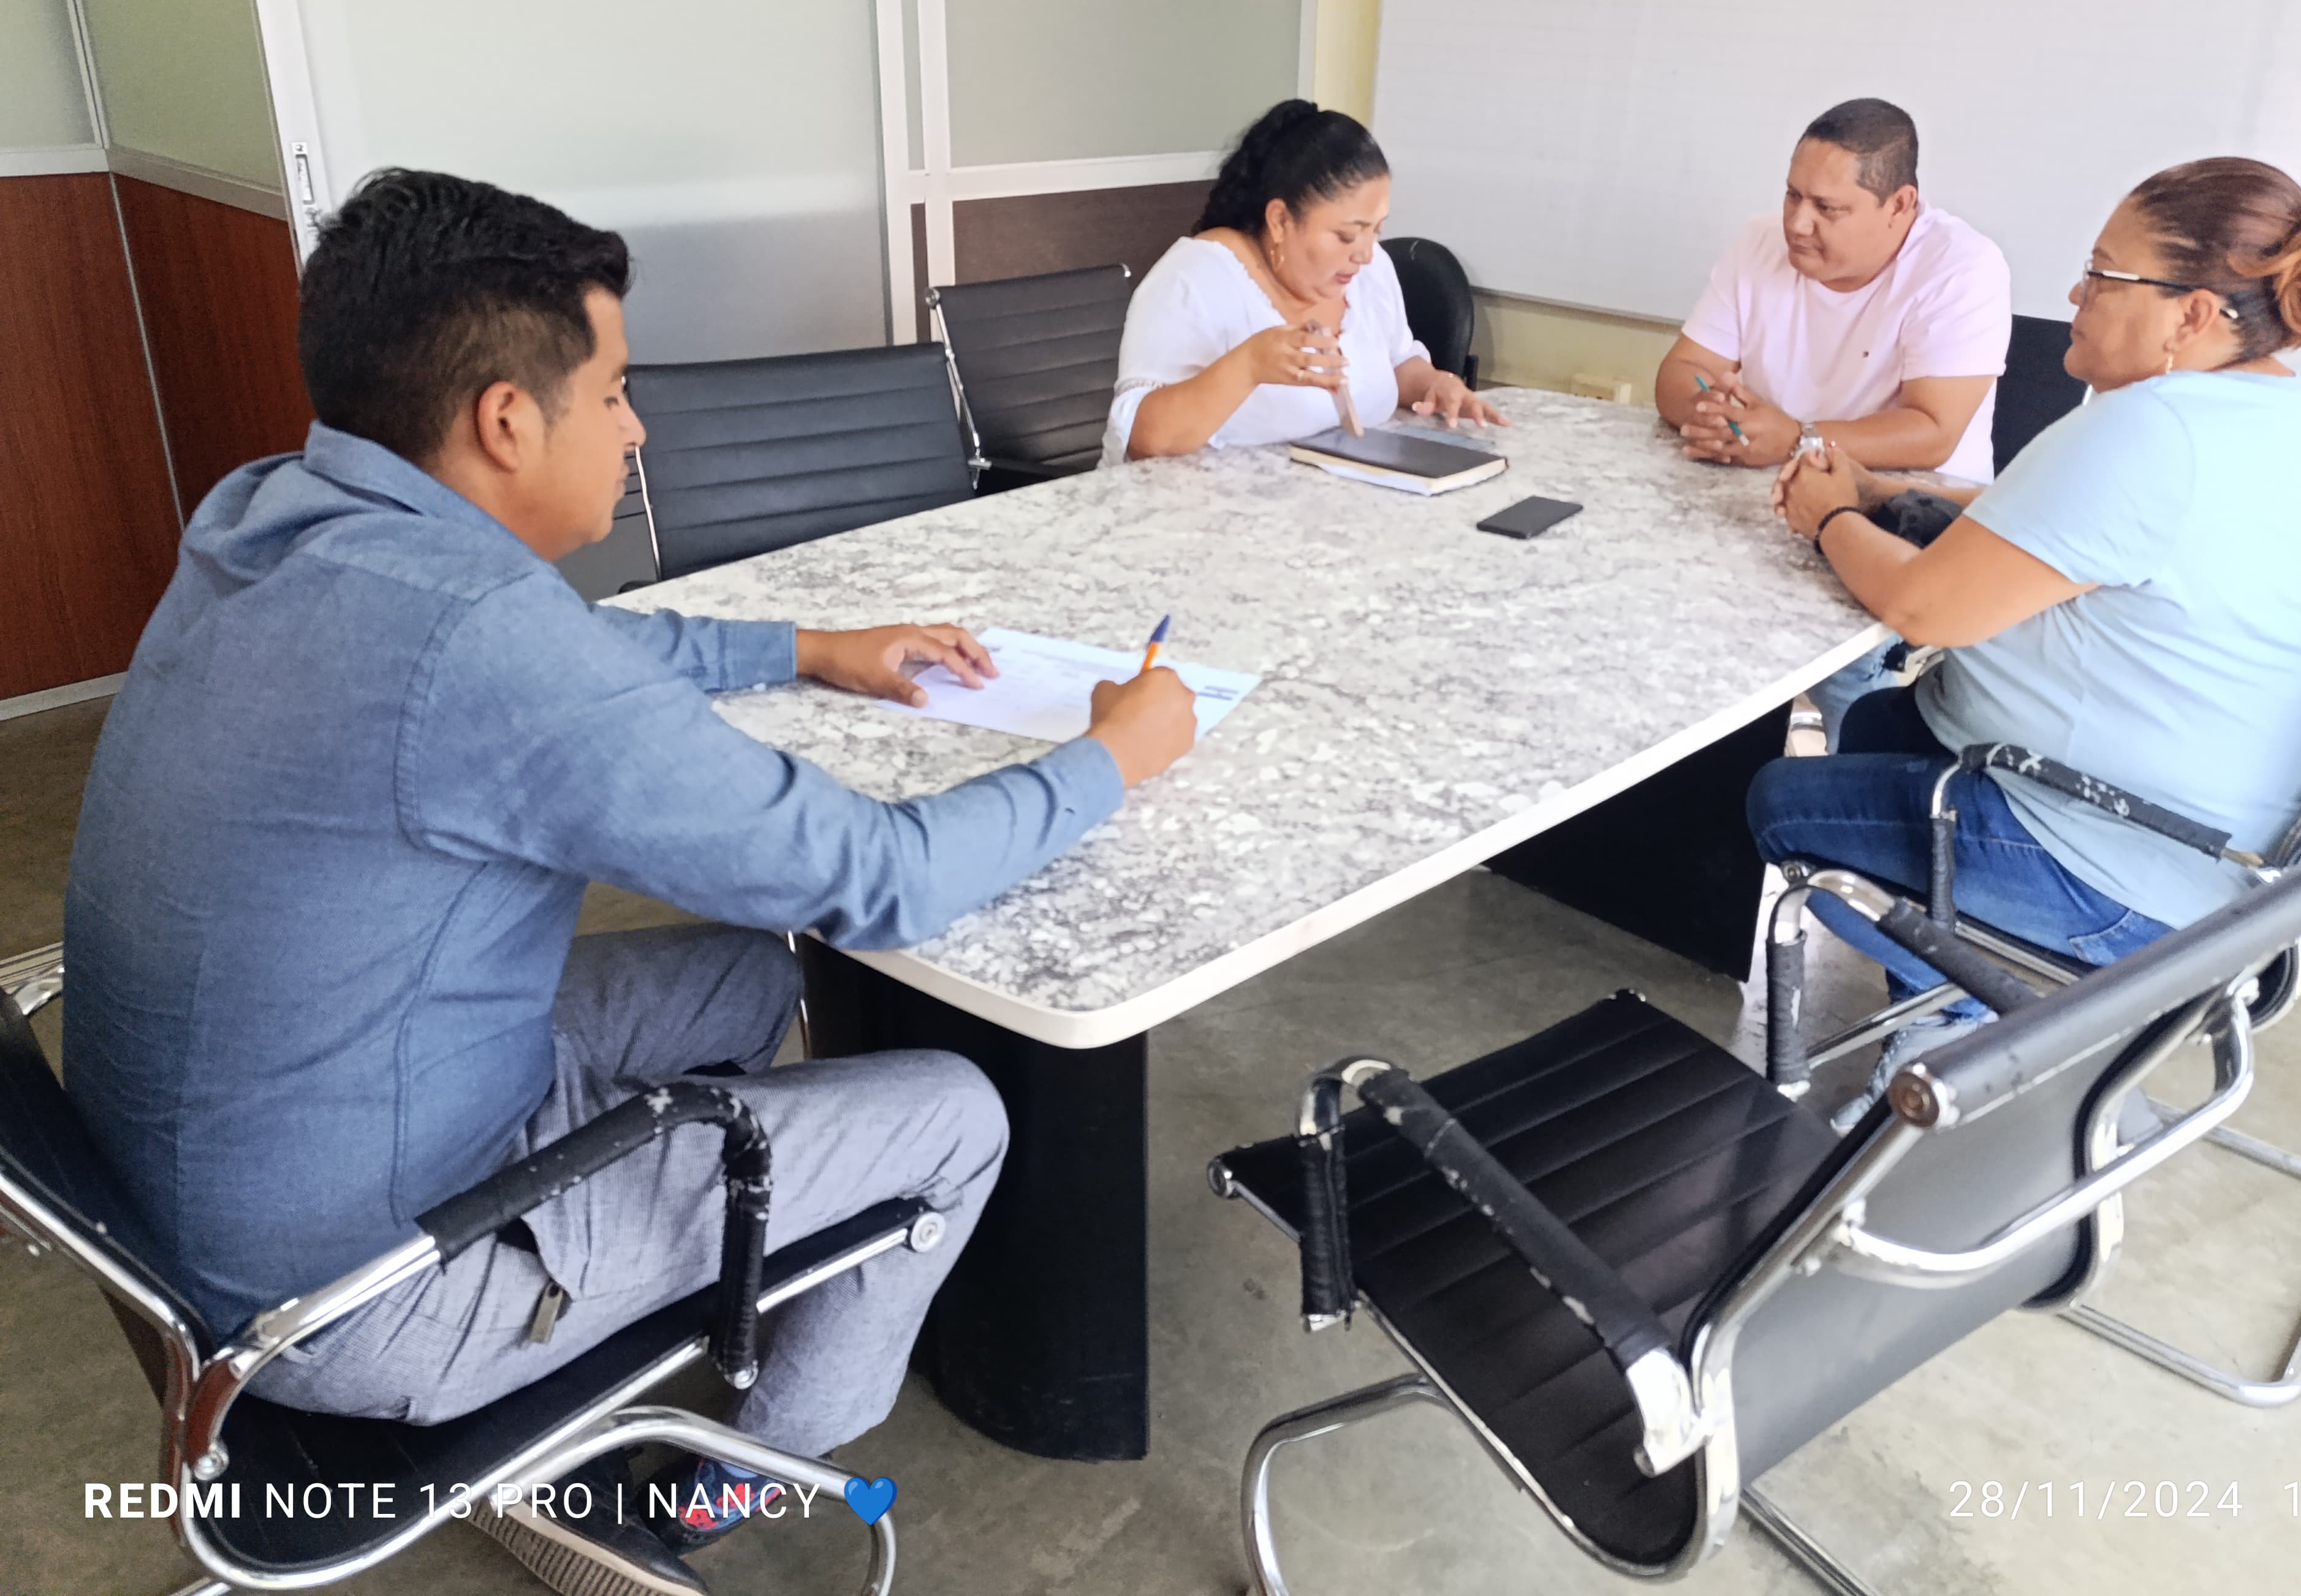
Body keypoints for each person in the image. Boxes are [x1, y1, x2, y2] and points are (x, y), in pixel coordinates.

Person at [61, 170, 1199, 1596]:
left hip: (236, 1162)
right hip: (355, 1292)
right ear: (505, 420)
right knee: (956, 1116)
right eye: (612, 392)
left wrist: (804, 647)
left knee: (754, 971)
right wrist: (1113, 754)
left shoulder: (280, 514)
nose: (636, 426)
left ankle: (688, 1257)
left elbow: (565, 660)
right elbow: (881, 874)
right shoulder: (471, 636)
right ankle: (711, 1495)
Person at [1745, 157, 2301, 1126]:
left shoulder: (2152, 434)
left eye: (2104, 275)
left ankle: (1961, 1025)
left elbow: (1926, 610)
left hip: (2121, 869)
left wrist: (1828, 519)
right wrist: (1886, 493)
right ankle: (1949, 994)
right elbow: (2055, 529)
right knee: (1888, 720)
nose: (2075, 295)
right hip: (2224, 853)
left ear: (2193, 314)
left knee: (1784, 802)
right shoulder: (2272, 413)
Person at [1653, 99, 2014, 723]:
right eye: (1793, 195)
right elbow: (1679, 374)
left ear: (1900, 205)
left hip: (1900, 518)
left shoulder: (1962, 266)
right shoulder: (1759, 241)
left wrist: (1797, 437)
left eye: (1828, 208)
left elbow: (1933, 430)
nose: (1798, 222)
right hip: (1759, 498)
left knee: (1846, 689)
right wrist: (1719, 419)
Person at [1105, 99, 1505, 461]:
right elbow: (1142, 439)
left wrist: (1436, 384)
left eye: (1376, 230)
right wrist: (1247, 367)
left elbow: (1397, 362)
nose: (1366, 253)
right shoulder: (1193, 279)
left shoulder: (1371, 270)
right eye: (1347, 235)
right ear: (1280, 221)